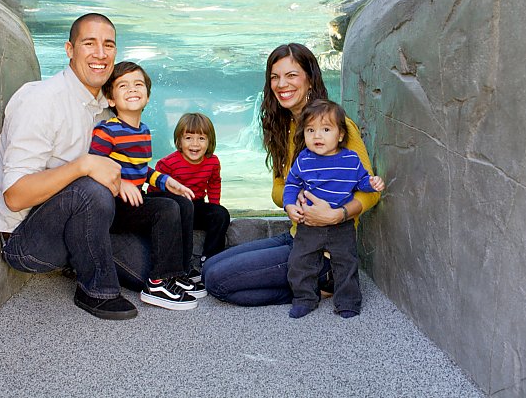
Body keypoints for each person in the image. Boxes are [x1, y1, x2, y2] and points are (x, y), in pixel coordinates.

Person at [202, 43, 381, 307]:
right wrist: (291, 198)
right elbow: (278, 187)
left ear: (310, 79)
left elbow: (371, 192)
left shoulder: (337, 128)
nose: (281, 84)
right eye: (275, 77)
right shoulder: (282, 126)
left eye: (291, 75)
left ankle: (320, 281)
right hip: (298, 233)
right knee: (210, 268)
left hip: (325, 249)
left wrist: (337, 214)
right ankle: (308, 282)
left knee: (218, 281)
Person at [0, 13, 146, 321]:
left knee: (147, 273)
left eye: (108, 45)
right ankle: (96, 291)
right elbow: (14, 196)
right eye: (89, 43)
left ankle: (82, 260)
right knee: (90, 188)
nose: (100, 54)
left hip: (79, 227)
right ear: (69, 49)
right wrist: (84, 165)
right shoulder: (42, 100)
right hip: (27, 240)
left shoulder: (106, 107)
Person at [89, 61, 205, 310]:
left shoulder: (143, 131)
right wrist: (119, 185)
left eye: (138, 84)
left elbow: (142, 169)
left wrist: (166, 180)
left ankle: (178, 273)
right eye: (123, 85)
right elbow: (94, 167)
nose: (132, 89)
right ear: (110, 98)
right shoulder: (106, 130)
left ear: (148, 96)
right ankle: (158, 282)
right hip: (113, 206)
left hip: (133, 200)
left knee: (183, 203)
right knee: (165, 209)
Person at [283, 99, 385, 319]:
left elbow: (362, 183)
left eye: (326, 129)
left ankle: (348, 301)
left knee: (346, 263)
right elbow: (292, 184)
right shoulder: (303, 160)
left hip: (342, 226)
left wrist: (373, 183)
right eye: (311, 130)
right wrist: (290, 205)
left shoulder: (350, 159)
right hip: (309, 226)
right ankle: (305, 298)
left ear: (340, 135)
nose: (317, 136)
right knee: (300, 262)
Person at [151, 113, 231, 273]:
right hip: (176, 210)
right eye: (188, 138)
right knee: (179, 209)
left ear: (210, 142)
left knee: (221, 214)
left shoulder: (212, 162)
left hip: (197, 206)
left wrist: (214, 206)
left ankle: (210, 259)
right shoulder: (167, 164)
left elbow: (214, 182)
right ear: (179, 141)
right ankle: (180, 266)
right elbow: (155, 194)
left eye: (201, 138)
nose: (195, 144)